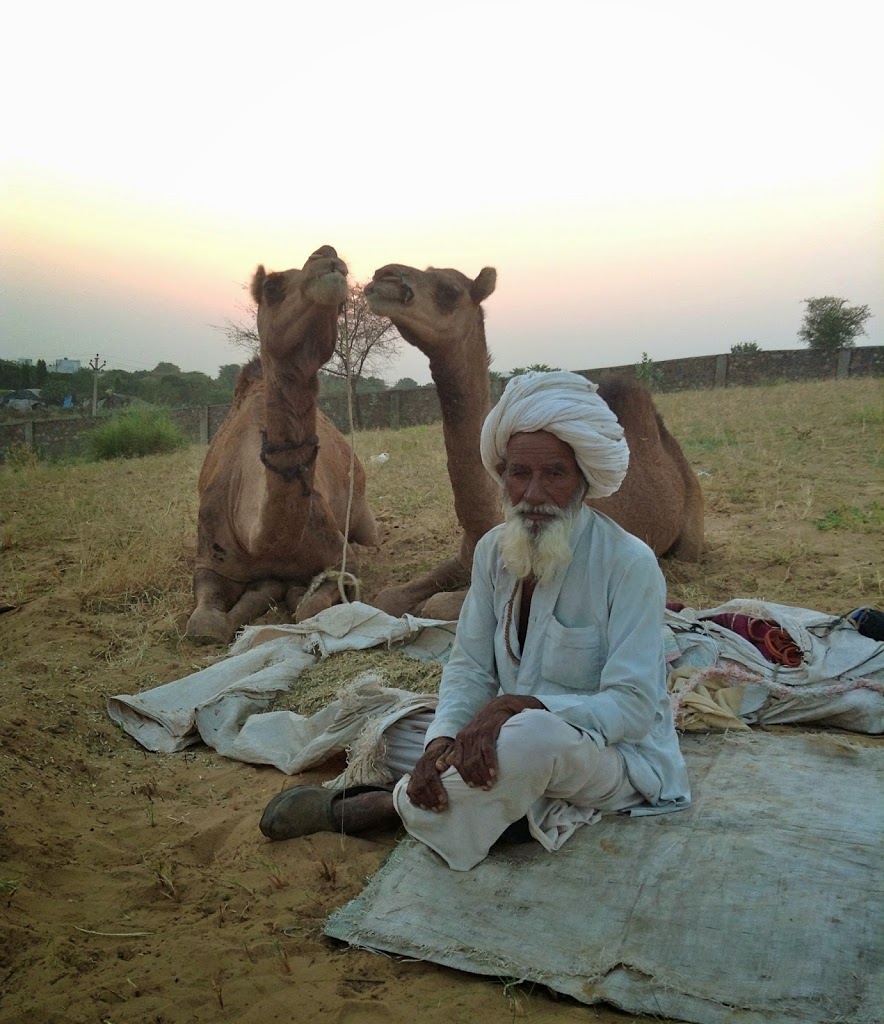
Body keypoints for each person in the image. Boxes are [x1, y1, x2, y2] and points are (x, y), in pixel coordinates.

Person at [260, 371, 690, 871]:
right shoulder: (492, 553)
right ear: (502, 475)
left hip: (608, 755)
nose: (533, 493)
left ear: (584, 480)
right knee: (401, 727)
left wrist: (517, 706)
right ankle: (501, 808)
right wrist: (444, 740)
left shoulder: (629, 564)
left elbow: (634, 708)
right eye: (519, 473)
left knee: (532, 739)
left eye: (554, 473)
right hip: (502, 737)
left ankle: (380, 807)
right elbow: (468, 668)